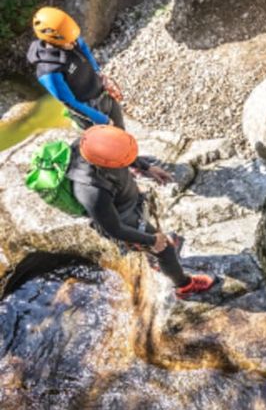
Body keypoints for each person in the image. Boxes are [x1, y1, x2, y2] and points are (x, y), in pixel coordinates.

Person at [67, 125, 215, 298]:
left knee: (159, 242)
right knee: (165, 250)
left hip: (129, 202)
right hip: (125, 220)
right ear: (104, 164)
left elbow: (121, 153)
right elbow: (115, 229)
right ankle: (184, 286)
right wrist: (152, 240)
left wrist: (146, 167)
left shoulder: (90, 145)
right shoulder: (90, 191)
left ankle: (154, 259)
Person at [26, 6, 170, 184]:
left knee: (121, 134)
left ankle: (132, 163)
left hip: (101, 93)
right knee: (111, 144)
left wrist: (100, 74)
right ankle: (127, 171)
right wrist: (99, 119)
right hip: (88, 109)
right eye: (69, 42)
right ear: (53, 40)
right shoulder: (48, 70)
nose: (74, 44)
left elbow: (84, 48)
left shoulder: (69, 37)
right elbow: (69, 102)